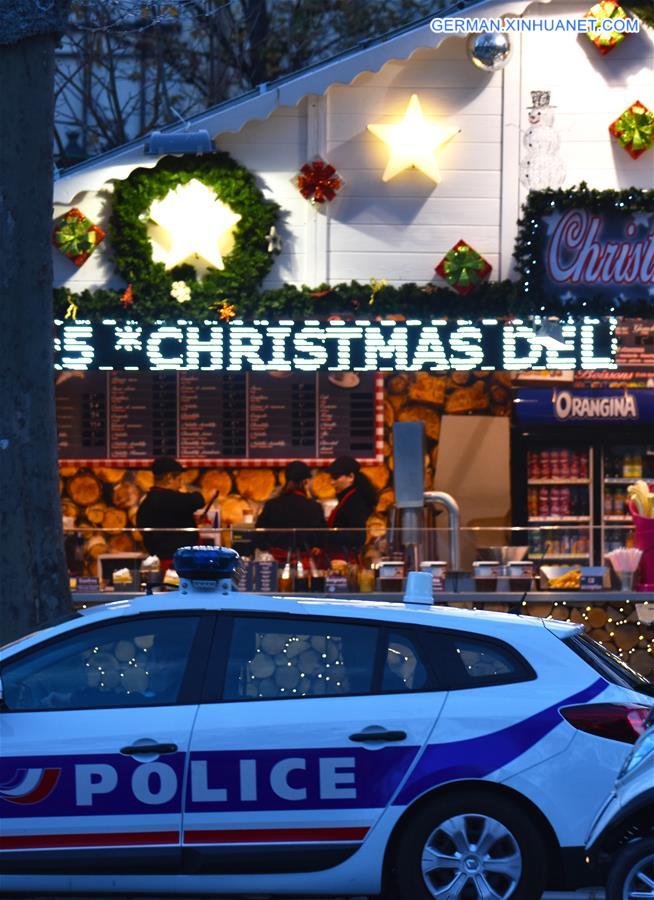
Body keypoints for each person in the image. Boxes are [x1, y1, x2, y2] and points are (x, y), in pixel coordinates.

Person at [136, 456, 204, 569]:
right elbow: (198, 500)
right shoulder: (170, 498)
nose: (180, 485)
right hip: (178, 564)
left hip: (161, 561)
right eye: (179, 480)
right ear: (169, 478)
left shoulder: (147, 502)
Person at [254, 460, 326, 563]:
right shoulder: (315, 507)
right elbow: (322, 538)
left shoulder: (271, 505)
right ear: (305, 481)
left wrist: (269, 549)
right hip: (305, 563)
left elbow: (258, 534)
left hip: (275, 562)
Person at [327, 456, 377, 559]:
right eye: (331, 478)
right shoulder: (348, 497)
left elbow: (358, 535)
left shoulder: (354, 501)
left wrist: (329, 536)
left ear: (351, 477)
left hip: (346, 558)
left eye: (336, 477)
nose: (332, 482)